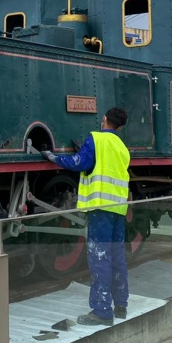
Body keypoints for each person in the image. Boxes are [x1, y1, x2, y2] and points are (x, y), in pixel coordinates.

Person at [42, 107, 131, 327]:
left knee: (99, 257)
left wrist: (54, 158)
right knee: (117, 256)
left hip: (100, 208)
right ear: (120, 127)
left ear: (104, 120)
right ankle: (120, 305)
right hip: (118, 209)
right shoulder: (122, 146)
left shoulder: (96, 138)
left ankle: (101, 312)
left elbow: (79, 163)